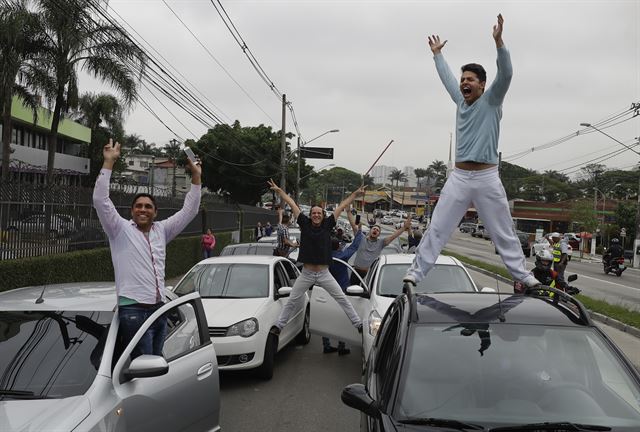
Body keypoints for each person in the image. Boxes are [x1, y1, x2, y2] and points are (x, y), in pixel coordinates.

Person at [404, 14, 539, 289]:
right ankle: (416, 272)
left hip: (487, 177)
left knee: (502, 231)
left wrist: (499, 42)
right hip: (460, 177)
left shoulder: (492, 100)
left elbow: (507, 73)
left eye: (470, 79)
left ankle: (522, 275)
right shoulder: (460, 101)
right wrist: (437, 56)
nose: (464, 83)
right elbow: (446, 80)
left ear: (482, 84)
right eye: (463, 78)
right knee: (438, 227)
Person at [93, 138, 201, 358]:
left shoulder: (162, 230)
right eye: (139, 206)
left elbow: (189, 211)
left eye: (148, 207)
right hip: (133, 309)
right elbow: (100, 200)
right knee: (144, 367)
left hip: (158, 308)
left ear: (155, 212)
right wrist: (109, 163)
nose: (143, 210)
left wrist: (196, 177)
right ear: (132, 211)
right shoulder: (119, 229)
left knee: (155, 363)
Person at [268, 179, 364, 336]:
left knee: (342, 298)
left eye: (319, 213)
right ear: (310, 215)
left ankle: (358, 324)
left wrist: (355, 194)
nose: (316, 215)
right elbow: (292, 203)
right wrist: (279, 192)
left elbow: (341, 206)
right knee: (292, 300)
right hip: (306, 274)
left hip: (324, 274)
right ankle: (279, 326)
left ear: (323, 215)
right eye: (314, 213)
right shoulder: (304, 223)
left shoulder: (328, 224)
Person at [323, 210, 365, 355]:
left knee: (326, 318)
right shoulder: (343, 256)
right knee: (342, 317)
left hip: (326, 292)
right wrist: (359, 231)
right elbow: (354, 246)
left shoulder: (323, 257)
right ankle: (341, 346)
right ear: (339, 246)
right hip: (342, 291)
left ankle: (326, 345)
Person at [351, 217, 412, 285]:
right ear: (370, 230)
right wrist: (348, 211)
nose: (375, 230)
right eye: (374, 229)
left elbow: (394, 236)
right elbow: (353, 226)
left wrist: (404, 228)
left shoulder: (381, 242)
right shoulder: (361, 238)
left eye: (377, 230)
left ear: (379, 234)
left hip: (369, 275)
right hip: (356, 272)